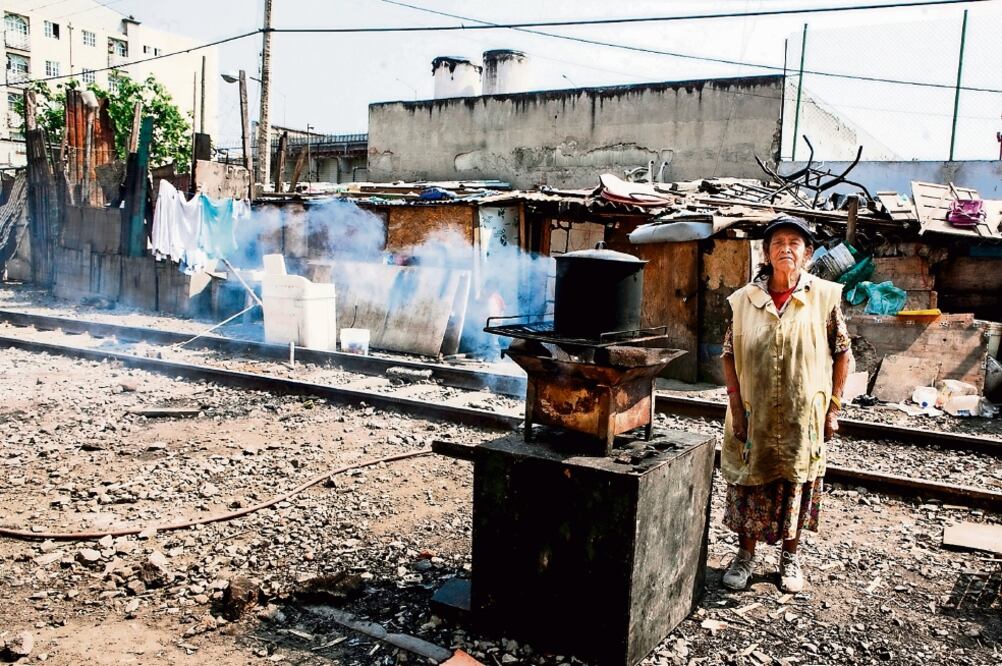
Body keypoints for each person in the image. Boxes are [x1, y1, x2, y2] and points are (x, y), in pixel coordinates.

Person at [719, 215, 852, 593]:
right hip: (754, 412)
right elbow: (728, 354)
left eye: (795, 243)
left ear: (807, 254)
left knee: (796, 482)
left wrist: (835, 408)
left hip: (801, 414)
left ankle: (789, 560)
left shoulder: (823, 297)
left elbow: (843, 353)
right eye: (778, 243)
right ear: (766, 252)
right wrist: (735, 406)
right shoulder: (745, 300)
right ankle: (745, 557)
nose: (786, 249)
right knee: (750, 484)